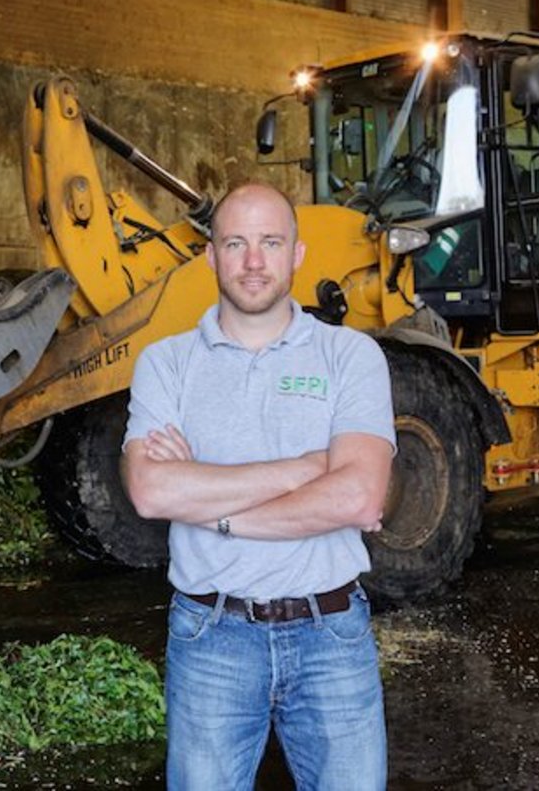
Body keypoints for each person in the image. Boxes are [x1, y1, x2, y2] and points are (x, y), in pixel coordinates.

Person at [122, 182, 395, 790]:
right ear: (210, 255)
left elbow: (359, 497)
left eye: (270, 243)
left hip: (331, 635)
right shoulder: (165, 363)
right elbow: (150, 492)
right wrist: (305, 468)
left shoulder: (350, 356)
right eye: (235, 243)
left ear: (297, 254)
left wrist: (213, 510)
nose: (252, 261)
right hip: (211, 636)